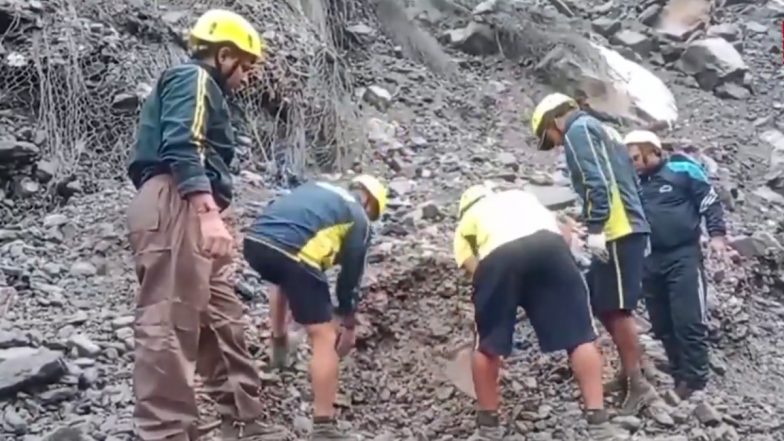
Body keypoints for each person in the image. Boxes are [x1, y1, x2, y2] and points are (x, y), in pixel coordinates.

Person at [126, 9, 288, 441]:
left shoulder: (206, 89)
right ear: (224, 54)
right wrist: (207, 212)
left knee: (220, 316)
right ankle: (165, 432)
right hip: (177, 200)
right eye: (246, 66)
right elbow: (182, 142)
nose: (248, 77)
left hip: (189, 205)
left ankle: (242, 419)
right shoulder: (193, 79)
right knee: (169, 321)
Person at [454, 184, 627, 441]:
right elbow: (565, 238)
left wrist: (504, 294)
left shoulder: (465, 222)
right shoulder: (523, 197)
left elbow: (475, 269)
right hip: (550, 247)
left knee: (487, 343)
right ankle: (598, 421)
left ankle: (489, 426)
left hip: (498, 257)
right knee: (580, 336)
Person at [529, 93, 658, 414]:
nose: (558, 145)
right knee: (603, 303)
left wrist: (597, 226)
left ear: (554, 120)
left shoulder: (578, 130)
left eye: (552, 139)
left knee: (616, 308)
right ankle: (631, 372)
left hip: (618, 228)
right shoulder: (603, 129)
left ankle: (639, 384)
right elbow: (618, 179)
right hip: (626, 223)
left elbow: (594, 181)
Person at [243, 175, 388, 441]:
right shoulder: (359, 217)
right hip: (292, 252)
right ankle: (324, 427)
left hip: (255, 242)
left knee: (282, 277)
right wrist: (347, 320)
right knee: (324, 335)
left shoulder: (318, 189)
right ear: (369, 202)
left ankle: (278, 348)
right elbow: (350, 277)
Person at [624, 130, 728, 399]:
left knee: (688, 318)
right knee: (660, 322)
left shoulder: (682, 168)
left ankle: (695, 380)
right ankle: (678, 371)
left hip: (683, 255)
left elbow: (709, 201)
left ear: (653, 151)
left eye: (636, 157)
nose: (632, 162)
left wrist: (716, 236)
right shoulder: (632, 181)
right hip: (649, 258)